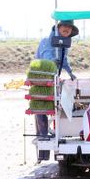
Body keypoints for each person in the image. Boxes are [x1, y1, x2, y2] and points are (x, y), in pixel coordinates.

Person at [34, 20, 78, 162]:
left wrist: (70, 73)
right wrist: (54, 62)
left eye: (70, 27)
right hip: (41, 78)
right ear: (58, 27)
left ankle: (57, 132)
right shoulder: (48, 41)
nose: (67, 29)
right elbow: (47, 58)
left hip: (53, 80)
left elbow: (64, 60)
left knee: (56, 106)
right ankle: (43, 140)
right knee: (41, 107)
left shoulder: (64, 43)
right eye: (64, 26)